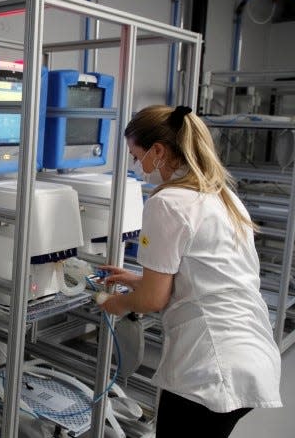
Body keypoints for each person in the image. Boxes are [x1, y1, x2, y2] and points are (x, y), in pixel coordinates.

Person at [98, 104, 282, 437]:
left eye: (136, 156)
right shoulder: (220, 194)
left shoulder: (167, 201)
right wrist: (141, 280)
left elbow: (154, 300)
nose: (136, 166)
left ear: (158, 150)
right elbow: (211, 275)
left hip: (211, 368)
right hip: (253, 354)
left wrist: (118, 303)